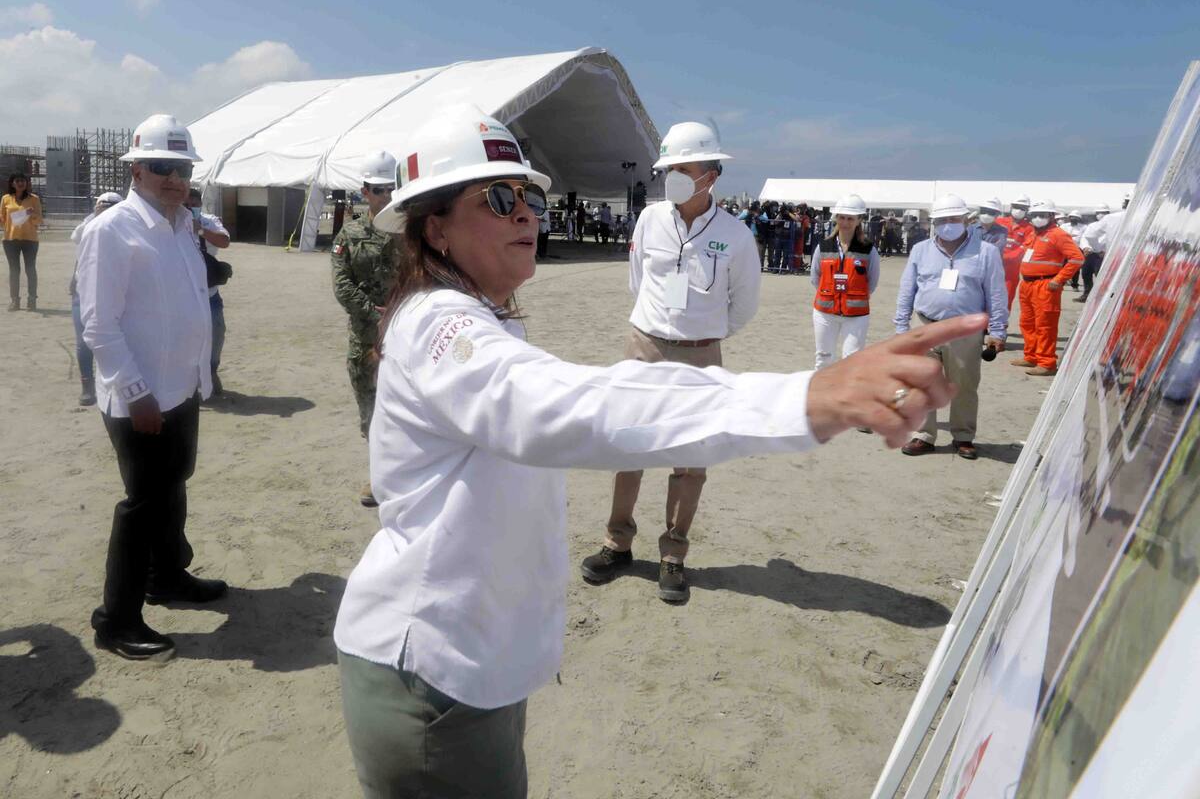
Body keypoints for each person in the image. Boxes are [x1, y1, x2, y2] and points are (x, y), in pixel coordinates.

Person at [335, 105, 984, 798]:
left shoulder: (473, 314)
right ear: (434, 226)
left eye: (529, 196)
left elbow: (716, 322)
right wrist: (808, 399)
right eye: (498, 198)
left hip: (466, 667)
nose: (526, 213)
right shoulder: (441, 322)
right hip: (435, 679)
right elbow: (560, 405)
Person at [577, 120, 761, 602]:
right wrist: (661, 329)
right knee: (629, 448)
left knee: (690, 459)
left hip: (702, 355)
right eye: (668, 170)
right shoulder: (648, 221)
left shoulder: (737, 236)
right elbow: (638, 281)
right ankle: (617, 543)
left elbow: (743, 305)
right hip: (645, 345)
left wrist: (701, 338)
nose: (671, 178)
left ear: (711, 174)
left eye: (683, 169)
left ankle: (673, 554)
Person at [77, 114, 227, 661]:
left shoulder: (179, 224)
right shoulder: (111, 229)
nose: (174, 178)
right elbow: (99, 324)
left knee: (174, 483)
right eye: (162, 167)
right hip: (140, 397)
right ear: (136, 169)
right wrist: (137, 392)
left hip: (181, 387)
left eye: (182, 168)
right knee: (142, 502)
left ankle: (167, 576)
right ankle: (115, 620)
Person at [894, 194, 1008, 459]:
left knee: (964, 385)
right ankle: (923, 435)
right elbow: (906, 289)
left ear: (966, 220)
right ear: (934, 222)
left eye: (953, 219)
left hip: (964, 330)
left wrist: (998, 330)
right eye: (941, 220)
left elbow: (996, 293)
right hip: (923, 325)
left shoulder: (986, 252)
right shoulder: (920, 250)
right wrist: (901, 326)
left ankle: (963, 436)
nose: (947, 224)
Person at [331, 150, 398, 508]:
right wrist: (375, 313)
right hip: (366, 339)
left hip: (407, 337)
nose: (386, 197)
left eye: (391, 189)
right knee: (370, 409)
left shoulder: (414, 231)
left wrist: (402, 313)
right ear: (364, 192)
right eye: (378, 190)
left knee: (411, 406)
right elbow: (342, 283)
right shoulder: (351, 232)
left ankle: (407, 474)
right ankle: (379, 475)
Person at [1010, 200, 1084, 376]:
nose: (1037, 219)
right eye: (1034, 215)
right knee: (1027, 322)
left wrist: (1059, 279)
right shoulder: (1033, 234)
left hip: (1046, 285)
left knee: (1045, 325)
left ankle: (1046, 363)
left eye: (1042, 215)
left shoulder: (1058, 234)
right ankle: (1031, 356)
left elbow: (1077, 258)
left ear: (1051, 216)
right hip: (1027, 284)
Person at [811, 193, 881, 370]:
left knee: (853, 361)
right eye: (841, 217)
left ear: (859, 220)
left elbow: (872, 281)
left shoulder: (868, 249)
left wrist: (853, 297)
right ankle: (823, 396)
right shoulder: (823, 246)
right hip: (825, 313)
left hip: (856, 315)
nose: (845, 222)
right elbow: (815, 277)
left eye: (850, 218)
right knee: (823, 358)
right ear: (836, 218)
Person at [69, 192, 125, 406]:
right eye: (102, 205)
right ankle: (87, 384)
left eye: (111, 205)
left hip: (115, 293)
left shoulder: (125, 228)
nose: (105, 208)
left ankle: (117, 381)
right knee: (84, 341)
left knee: (116, 337)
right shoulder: (88, 225)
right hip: (84, 292)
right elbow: (79, 247)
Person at [184, 188, 232, 396]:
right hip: (180, 294)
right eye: (187, 203)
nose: (191, 206)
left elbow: (224, 241)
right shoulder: (167, 221)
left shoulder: (208, 220)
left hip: (208, 292)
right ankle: (187, 380)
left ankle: (211, 371)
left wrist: (199, 230)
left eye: (195, 203)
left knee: (216, 334)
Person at [1076, 195, 1129, 303]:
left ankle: (1101, 298)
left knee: (1102, 277)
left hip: (1104, 255)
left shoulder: (1111, 219)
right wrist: (1088, 248)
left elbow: (1091, 236)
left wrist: (1102, 250)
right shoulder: (1093, 225)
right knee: (1086, 274)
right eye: (1099, 212)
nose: (1101, 215)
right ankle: (1088, 295)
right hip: (1092, 254)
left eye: (1104, 212)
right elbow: (1085, 237)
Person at [3, 171, 43, 311]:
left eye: (23, 181)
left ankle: (32, 300)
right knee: (14, 270)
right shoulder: (6, 199)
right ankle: (15, 301)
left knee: (30, 269)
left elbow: (39, 220)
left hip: (30, 240)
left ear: (27, 184)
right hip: (10, 239)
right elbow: (2, 219)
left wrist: (31, 214)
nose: (21, 183)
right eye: (18, 181)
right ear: (12, 183)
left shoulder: (34, 199)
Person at [996, 194, 1034, 312]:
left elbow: (1026, 247)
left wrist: (1008, 257)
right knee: (986, 296)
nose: (1019, 210)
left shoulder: (1029, 228)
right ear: (1011, 207)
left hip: (1011, 270)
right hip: (992, 265)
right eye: (1017, 206)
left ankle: (1001, 325)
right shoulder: (999, 221)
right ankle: (983, 325)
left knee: (1007, 297)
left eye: (1022, 208)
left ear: (1027, 210)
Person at [1060, 210, 1088, 290]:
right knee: (1063, 267)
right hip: (1064, 249)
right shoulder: (1064, 226)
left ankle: (1075, 285)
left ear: (1079, 218)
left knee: (1076, 268)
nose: (1073, 219)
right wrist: (1070, 236)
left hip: (1077, 249)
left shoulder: (1083, 227)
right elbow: (1060, 236)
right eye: (1072, 217)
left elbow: (1083, 238)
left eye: (1075, 217)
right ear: (1069, 218)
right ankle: (1061, 283)